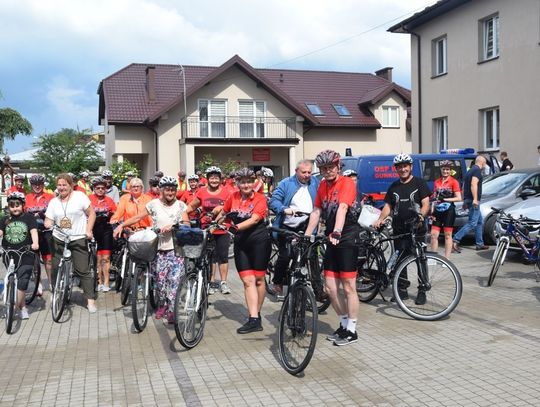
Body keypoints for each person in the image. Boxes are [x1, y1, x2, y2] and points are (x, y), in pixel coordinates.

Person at [305, 150, 361, 346]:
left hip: (346, 236)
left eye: (331, 167)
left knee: (348, 286)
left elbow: (343, 208)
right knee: (330, 288)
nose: (328, 171)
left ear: (338, 167)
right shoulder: (322, 186)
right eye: (324, 168)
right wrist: (306, 235)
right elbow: (317, 211)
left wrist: (337, 231)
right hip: (332, 237)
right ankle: (343, 324)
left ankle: (352, 330)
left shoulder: (347, 183)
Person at [113, 176, 187, 323]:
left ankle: (172, 310)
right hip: (158, 248)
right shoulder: (153, 204)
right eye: (167, 189)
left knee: (174, 281)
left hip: (176, 249)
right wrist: (121, 225)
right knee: (160, 282)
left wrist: (175, 226)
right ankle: (162, 305)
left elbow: (187, 223)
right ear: (161, 190)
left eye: (173, 189)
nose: (170, 192)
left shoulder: (180, 206)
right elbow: (137, 217)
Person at [374, 153, 431, 304]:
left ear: (410, 167)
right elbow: (388, 206)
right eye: (399, 167)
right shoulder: (393, 186)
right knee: (400, 260)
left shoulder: (419, 183)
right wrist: (380, 219)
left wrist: (420, 216)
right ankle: (402, 290)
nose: (403, 169)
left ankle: (422, 289)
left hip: (417, 229)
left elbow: (426, 203)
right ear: (396, 169)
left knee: (421, 259)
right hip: (399, 229)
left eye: (405, 166)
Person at [219, 168, 270, 334]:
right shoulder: (232, 197)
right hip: (241, 243)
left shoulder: (260, 198)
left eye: (249, 181)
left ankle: (257, 313)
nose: (246, 184)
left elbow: (255, 219)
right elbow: (224, 212)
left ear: (253, 182)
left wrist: (235, 227)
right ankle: (254, 319)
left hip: (259, 241)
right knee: (248, 281)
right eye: (243, 182)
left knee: (259, 279)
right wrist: (216, 219)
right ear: (237, 183)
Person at [44, 173, 97, 313]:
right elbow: (48, 219)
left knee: (82, 269)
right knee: (55, 266)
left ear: (71, 185)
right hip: (59, 238)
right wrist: (48, 223)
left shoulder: (80, 197)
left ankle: (90, 300)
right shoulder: (54, 202)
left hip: (77, 237)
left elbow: (92, 214)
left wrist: (88, 230)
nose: (62, 188)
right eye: (59, 185)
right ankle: (57, 292)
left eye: (64, 185)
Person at [269, 159, 319, 296]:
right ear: (296, 171)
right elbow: (274, 201)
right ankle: (277, 282)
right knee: (286, 255)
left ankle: (318, 289)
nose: (307, 175)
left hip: (308, 225)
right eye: (304, 172)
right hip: (288, 225)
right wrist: (284, 209)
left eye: (309, 172)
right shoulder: (286, 183)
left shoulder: (315, 182)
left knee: (311, 256)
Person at [182, 166, 232, 295]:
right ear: (207, 179)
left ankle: (224, 282)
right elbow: (190, 207)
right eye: (211, 178)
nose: (214, 180)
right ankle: (212, 281)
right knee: (209, 256)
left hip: (222, 228)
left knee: (222, 255)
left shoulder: (227, 192)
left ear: (220, 179)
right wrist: (185, 219)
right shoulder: (202, 192)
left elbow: (231, 207)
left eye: (216, 178)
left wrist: (221, 208)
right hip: (206, 228)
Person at [0, 192, 39, 320]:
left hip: (26, 252)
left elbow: (33, 231)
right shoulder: (4, 219)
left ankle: (13, 307)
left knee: (23, 280)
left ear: (22, 205)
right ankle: (23, 308)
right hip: (9, 253)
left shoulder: (29, 218)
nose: (15, 208)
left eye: (17, 205)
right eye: (12, 206)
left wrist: (35, 243)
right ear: (8, 207)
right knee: (13, 279)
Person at [25, 174, 55, 292]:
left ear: (43, 185)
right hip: (32, 232)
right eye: (34, 184)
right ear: (31, 185)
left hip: (46, 231)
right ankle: (38, 284)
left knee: (48, 259)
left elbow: (54, 213)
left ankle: (51, 283)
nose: (37, 186)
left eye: (40, 184)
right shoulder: (27, 197)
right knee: (34, 259)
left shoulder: (50, 197)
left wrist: (42, 214)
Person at [453, 155, 489, 252]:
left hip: (468, 199)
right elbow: (473, 184)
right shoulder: (477, 171)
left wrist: (465, 200)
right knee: (472, 223)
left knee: (479, 222)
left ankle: (479, 244)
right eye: (485, 163)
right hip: (473, 200)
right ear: (482, 162)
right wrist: (475, 199)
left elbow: (464, 187)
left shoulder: (469, 171)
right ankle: (455, 239)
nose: (485, 166)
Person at [89, 177, 117, 292]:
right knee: (97, 258)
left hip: (106, 229)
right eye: (98, 188)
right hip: (93, 229)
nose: (100, 190)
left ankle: (106, 282)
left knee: (106, 257)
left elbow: (115, 213)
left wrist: (113, 217)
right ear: (94, 189)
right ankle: (99, 281)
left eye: (103, 188)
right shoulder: (88, 199)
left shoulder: (109, 200)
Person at [430, 161, 462, 258]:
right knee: (433, 235)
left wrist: (445, 199)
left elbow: (459, 198)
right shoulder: (437, 182)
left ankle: (447, 258)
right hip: (438, 210)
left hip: (449, 210)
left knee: (448, 235)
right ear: (441, 170)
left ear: (450, 170)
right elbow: (434, 197)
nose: (445, 171)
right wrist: (431, 211)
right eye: (443, 169)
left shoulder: (454, 182)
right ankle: (434, 257)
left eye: (447, 169)